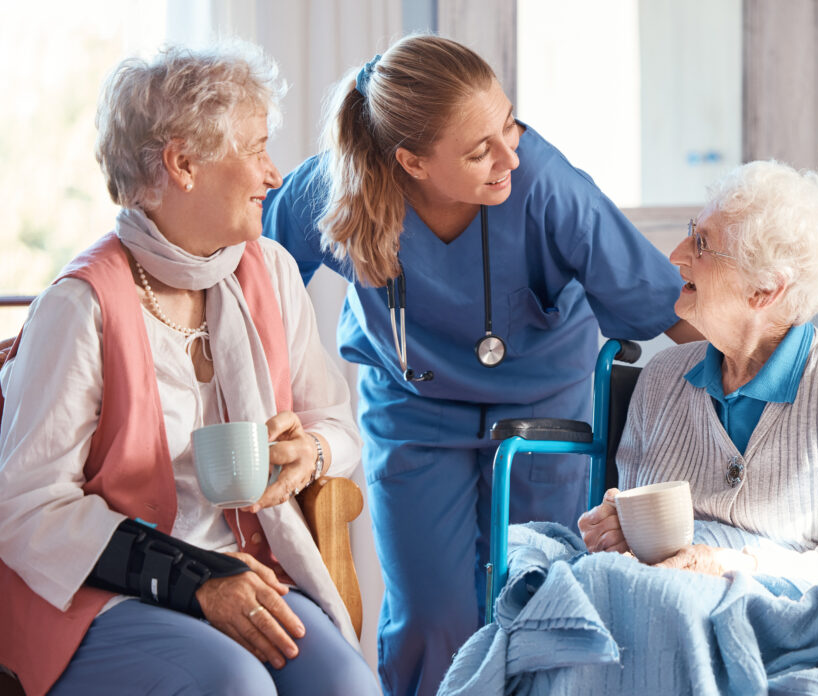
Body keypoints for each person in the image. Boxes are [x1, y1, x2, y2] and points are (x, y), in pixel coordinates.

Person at [262, 33, 699, 696]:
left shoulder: (546, 184)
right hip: (413, 405)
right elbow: (254, 282)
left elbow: (662, 306)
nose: (510, 155)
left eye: (509, 123)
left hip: (544, 408)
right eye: (478, 149)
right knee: (430, 619)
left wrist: (777, 363)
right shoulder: (334, 186)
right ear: (410, 160)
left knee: (534, 604)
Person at [0, 44, 379, 696]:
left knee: (345, 686)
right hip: (101, 593)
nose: (274, 173)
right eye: (256, 148)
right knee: (235, 685)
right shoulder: (79, 304)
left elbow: (337, 424)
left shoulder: (269, 271)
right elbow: (29, 510)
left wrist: (309, 453)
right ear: (183, 164)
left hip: (242, 570)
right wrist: (192, 577)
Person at [578, 160, 818, 586]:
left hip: (777, 626)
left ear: (765, 289)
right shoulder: (660, 379)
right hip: (656, 600)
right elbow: (637, 555)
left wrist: (735, 567)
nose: (676, 255)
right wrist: (618, 529)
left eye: (702, 244)